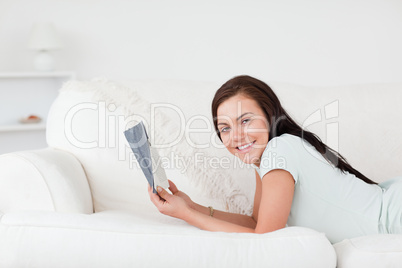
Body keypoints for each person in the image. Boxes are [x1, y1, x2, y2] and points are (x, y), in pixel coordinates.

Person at [148, 75, 402, 243]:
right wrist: (192, 207)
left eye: (245, 120)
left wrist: (188, 216)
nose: (235, 136)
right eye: (224, 128)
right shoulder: (266, 161)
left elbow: (266, 238)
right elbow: (256, 222)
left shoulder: (279, 150)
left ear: (270, 117)